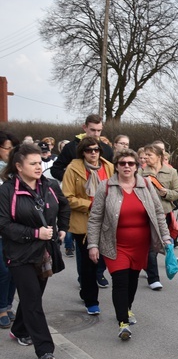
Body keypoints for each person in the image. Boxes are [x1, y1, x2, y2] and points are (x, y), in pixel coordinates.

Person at [87, 149, 171, 340]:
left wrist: (166, 238)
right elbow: (95, 218)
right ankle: (123, 322)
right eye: (122, 163)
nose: (126, 166)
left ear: (137, 166)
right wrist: (92, 244)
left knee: (132, 281)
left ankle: (128, 308)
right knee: (121, 281)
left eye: (130, 163)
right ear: (116, 166)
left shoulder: (147, 185)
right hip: (114, 245)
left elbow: (159, 214)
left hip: (140, 246)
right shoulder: (106, 186)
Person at [0, 143, 70, 359]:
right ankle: (44, 349)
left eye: (40, 162)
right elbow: (3, 224)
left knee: (33, 297)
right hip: (19, 254)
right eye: (33, 163)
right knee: (32, 300)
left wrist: (62, 228)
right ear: (19, 166)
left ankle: (19, 329)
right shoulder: (6, 190)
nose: (39, 167)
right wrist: (34, 233)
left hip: (45, 254)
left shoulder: (49, 185)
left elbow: (64, 206)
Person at [51, 114, 113, 288]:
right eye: (92, 130)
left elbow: (114, 176)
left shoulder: (106, 150)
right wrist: (75, 179)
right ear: (84, 127)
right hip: (82, 211)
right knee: (84, 252)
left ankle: (98, 273)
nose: (95, 134)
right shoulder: (72, 148)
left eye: (99, 130)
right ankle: (85, 281)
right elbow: (56, 169)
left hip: (105, 212)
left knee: (103, 249)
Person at [61, 137, 115, 316]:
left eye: (96, 150)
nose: (93, 153)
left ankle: (86, 290)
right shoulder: (73, 168)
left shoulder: (108, 166)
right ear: (82, 152)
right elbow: (67, 197)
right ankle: (91, 300)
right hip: (83, 222)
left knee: (103, 261)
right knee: (89, 262)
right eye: (89, 150)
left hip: (107, 221)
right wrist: (90, 204)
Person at [138, 143, 178, 290]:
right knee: (151, 246)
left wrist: (166, 193)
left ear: (159, 157)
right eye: (145, 155)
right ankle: (154, 278)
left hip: (164, 214)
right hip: (147, 214)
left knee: (160, 244)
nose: (146, 157)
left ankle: (147, 267)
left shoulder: (171, 172)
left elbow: (177, 192)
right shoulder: (140, 172)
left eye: (149, 155)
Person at [0, 131, 19, 329]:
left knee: (14, 270)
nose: (11, 152)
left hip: (14, 230)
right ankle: (1, 309)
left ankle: (7, 303)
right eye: (7, 148)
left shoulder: (15, 171)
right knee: (3, 270)